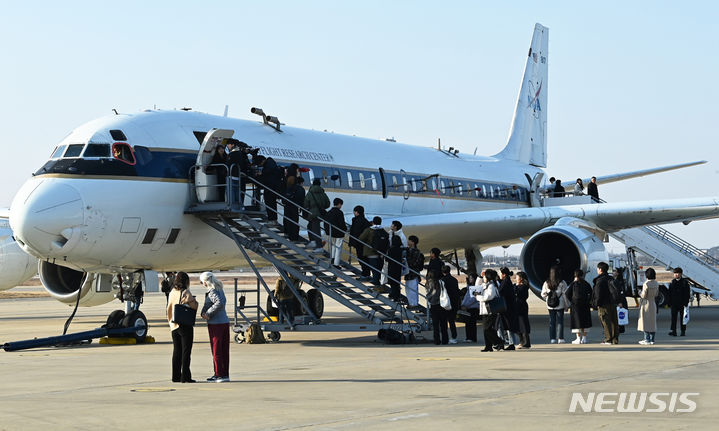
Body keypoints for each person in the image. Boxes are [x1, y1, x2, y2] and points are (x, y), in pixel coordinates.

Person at [167, 271, 198, 383]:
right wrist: (195, 302)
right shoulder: (185, 291)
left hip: (173, 324)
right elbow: (193, 305)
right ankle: (185, 376)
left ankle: (175, 376)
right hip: (184, 324)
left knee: (177, 351)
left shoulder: (172, 292)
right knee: (186, 351)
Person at [199, 272, 230, 383]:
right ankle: (224, 373)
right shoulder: (220, 289)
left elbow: (219, 303)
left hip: (216, 324)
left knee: (216, 351)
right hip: (224, 322)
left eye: (202, 282)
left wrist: (208, 313)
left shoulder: (212, 292)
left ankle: (219, 374)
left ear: (206, 282)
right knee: (224, 350)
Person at [475, 269, 502, 352]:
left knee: (487, 329)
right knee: (485, 330)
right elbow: (477, 286)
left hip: (490, 310)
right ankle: (488, 346)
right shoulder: (487, 284)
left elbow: (488, 297)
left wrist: (478, 297)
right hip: (485, 310)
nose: (484, 277)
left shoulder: (492, 286)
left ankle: (499, 341)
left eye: (485, 276)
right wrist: (480, 277)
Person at [593, 261, 620, 345]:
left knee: (605, 321)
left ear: (600, 269)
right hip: (613, 302)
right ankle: (615, 339)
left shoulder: (599, 280)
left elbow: (598, 294)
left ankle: (608, 339)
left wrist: (596, 304)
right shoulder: (611, 279)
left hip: (603, 304)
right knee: (614, 322)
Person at [541, 265, 569, 344]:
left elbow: (543, 294)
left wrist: (548, 299)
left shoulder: (547, 282)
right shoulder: (562, 282)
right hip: (560, 304)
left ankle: (552, 339)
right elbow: (565, 295)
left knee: (552, 322)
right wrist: (567, 305)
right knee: (560, 322)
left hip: (550, 305)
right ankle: (560, 338)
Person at [358, 216, 387, 287]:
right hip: (381, 253)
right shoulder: (382, 230)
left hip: (371, 252)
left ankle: (376, 282)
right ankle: (377, 281)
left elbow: (360, 238)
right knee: (378, 268)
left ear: (373, 222)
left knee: (374, 268)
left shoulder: (369, 230)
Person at [566, 269, 593, 344]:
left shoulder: (573, 284)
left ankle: (578, 338)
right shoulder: (586, 283)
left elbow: (567, 293)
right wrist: (588, 301)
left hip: (575, 305)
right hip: (585, 305)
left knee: (577, 321)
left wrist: (572, 301)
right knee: (585, 321)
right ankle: (584, 338)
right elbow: (591, 293)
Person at [304, 178, 330, 251]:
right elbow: (328, 204)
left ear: (313, 184)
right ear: (319, 184)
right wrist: (322, 206)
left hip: (312, 214)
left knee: (314, 229)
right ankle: (314, 242)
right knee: (313, 227)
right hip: (320, 214)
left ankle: (319, 246)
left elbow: (305, 203)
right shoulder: (323, 193)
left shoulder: (310, 193)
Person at [497, 267, 519, 350]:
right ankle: (507, 343)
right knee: (505, 326)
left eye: (500, 273)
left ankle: (506, 343)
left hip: (506, 308)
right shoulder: (507, 281)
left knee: (503, 326)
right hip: (509, 307)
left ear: (504, 274)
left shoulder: (505, 282)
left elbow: (499, 292)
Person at [257, 155, 283, 222]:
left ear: (263, 161)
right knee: (272, 205)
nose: (261, 165)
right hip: (272, 188)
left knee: (270, 204)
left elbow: (267, 177)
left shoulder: (268, 167)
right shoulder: (271, 164)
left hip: (270, 188)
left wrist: (261, 175)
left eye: (260, 164)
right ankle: (273, 219)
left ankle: (272, 219)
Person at [425, 270, 448, 345]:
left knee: (436, 325)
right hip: (442, 304)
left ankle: (437, 340)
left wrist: (428, 297)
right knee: (443, 324)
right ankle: (445, 340)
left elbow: (433, 292)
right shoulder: (441, 282)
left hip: (434, 305)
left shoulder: (431, 282)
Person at [225, 139, 250, 207]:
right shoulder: (240, 154)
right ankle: (240, 205)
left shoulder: (233, 154)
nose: (227, 146)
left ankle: (232, 205)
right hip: (237, 176)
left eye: (228, 144)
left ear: (233, 145)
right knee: (237, 192)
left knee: (231, 191)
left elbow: (228, 164)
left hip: (232, 175)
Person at [349, 206, 372, 278]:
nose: (353, 213)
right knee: (364, 258)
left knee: (361, 258)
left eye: (354, 211)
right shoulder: (365, 221)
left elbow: (355, 232)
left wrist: (352, 242)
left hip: (359, 243)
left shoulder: (357, 221)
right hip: (364, 243)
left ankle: (365, 273)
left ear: (357, 212)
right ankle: (366, 272)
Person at [638, 268, 658, 345]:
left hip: (646, 303)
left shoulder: (646, 284)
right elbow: (656, 294)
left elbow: (644, 295)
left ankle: (647, 339)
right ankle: (652, 339)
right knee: (652, 322)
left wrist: (639, 292)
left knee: (645, 322)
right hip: (653, 303)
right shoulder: (656, 283)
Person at [668, 267, 691, 336]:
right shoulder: (672, 282)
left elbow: (687, 293)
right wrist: (670, 303)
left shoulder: (685, 283)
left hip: (682, 303)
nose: (676, 275)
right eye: (675, 273)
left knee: (683, 318)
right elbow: (670, 293)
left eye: (677, 273)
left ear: (681, 274)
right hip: (674, 303)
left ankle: (683, 331)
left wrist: (686, 302)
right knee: (673, 318)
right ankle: (673, 331)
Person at [324, 198, 347, 266]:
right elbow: (341, 223)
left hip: (331, 233)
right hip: (339, 233)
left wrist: (327, 231)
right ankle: (336, 263)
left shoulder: (329, 212)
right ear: (339, 204)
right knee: (338, 248)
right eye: (341, 205)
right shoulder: (339, 212)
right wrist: (345, 229)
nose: (341, 206)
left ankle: (332, 259)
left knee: (333, 246)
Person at [441, 265, 461, 344]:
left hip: (445, 303)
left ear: (442, 272)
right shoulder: (454, 280)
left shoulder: (442, 280)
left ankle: (445, 337)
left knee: (444, 321)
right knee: (452, 321)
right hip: (454, 303)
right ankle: (454, 336)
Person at [283, 176, 305, 241]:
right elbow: (302, 200)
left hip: (287, 206)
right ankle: (294, 237)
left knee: (287, 221)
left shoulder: (289, 187)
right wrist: (302, 208)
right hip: (294, 207)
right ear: (301, 182)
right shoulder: (300, 189)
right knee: (294, 222)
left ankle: (287, 233)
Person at [404, 235, 424, 308]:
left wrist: (406, 261)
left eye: (409, 240)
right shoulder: (408, 250)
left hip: (413, 273)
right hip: (409, 273)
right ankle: (411, 303)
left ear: (413, 242)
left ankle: (414, 304)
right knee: (408, 289)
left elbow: (414, 263)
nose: (408, 242)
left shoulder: (416, 252)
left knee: (412, 289)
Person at [514, 271, 531, 348]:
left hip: (522, 306)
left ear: (521, 278)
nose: (516, 278)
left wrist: (516, 287)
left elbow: (519, 293)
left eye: (517, 277)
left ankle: (526, 342)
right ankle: (521, 341)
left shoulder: (524, 286)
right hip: (516, 306)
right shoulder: (516, 286)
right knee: (517, 325)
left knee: (523, 324)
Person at [461, 273, 480, 343]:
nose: (470, 279)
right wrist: (463, 304)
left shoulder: (476, 287)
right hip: (467, 307)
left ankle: (473, 337)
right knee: (467, 323)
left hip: (473, 308)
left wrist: (466, 305)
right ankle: (468, 337)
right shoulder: (469, 287)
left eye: (471, 278)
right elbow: (466, 297)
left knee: (472, 323)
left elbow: (473, 299)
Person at [387, 234, 404, 301]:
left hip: (392, 267)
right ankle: (397, 295)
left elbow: (388, 259)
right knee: (396, 282)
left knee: (392, 282)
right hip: (398, 268)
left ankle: (394, 295)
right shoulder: (400, 249)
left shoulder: (391, 249)